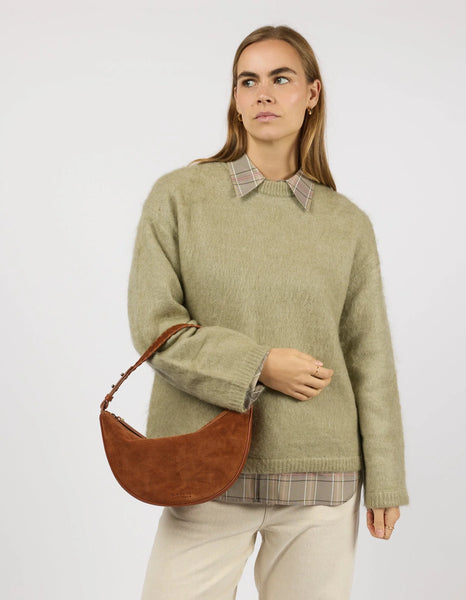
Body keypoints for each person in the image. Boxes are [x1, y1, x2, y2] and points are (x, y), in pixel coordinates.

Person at [127, 24, 409, 600]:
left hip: (321, 477)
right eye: (248, 81)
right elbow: (156, 329)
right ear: (235, 98)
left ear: (312, 94)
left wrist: (386, 478)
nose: (263, 94)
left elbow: (371, 358)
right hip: (206, 469)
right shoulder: (178, 197)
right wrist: (259, 365)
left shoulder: (346, 223)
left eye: (281, 79)